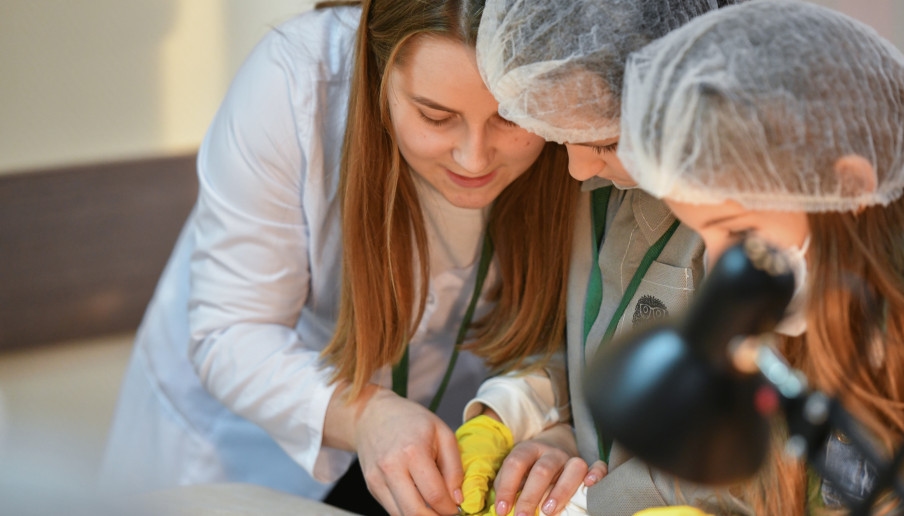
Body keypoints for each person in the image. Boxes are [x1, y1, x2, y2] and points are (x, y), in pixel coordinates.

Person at [97, 0, 582, 514]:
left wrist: (543, 425)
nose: (474, 157)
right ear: (375, 69)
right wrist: (365, 417)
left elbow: (578, 322)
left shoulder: (580, 116)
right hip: (243, 447)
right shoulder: (295, 83)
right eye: (435, 117)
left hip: (446, 443)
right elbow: (231, 330)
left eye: (510, 117)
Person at [617, 0, 904, 513]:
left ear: (849, 185)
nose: (722, 263)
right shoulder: (800, 340)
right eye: (704, 234)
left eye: (739, 229)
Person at [456, 1, 751, 515]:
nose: (573, 168)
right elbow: (596, 340)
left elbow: (748, 459)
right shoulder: (604, 180)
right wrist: (515, 413)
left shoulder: (744, 224)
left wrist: (589, 505)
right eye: (564, 136)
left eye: (607, 141)